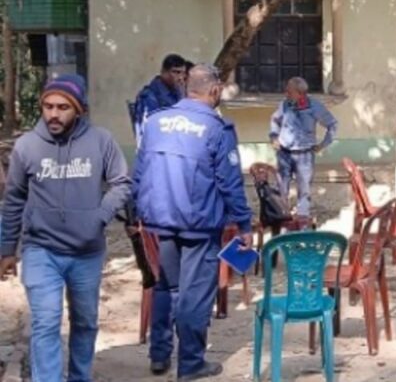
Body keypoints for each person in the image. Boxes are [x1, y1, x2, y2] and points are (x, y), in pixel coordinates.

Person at [0, 75, 131, 382]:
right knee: (46, 322)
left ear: (79, 110)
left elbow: (122, 183)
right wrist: (6, 249)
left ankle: (79, 377)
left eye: (62, 107)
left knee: (85, 322)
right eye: (48, 106)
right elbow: (14, 199)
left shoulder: (101, 141)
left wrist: (99, 217)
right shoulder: (27, 146)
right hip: (41, 250)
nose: (53, 114)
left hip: (86, 252)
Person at [133, 64, 254, 380]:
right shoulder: (216, 128)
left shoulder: (155, 122)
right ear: (214, 90)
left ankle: (159, 355)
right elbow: (229, 182)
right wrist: (244, 225)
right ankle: (190, 363)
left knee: (166, 287)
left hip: (159, 222)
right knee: (195, 294)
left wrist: (136, 214)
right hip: (199, 224)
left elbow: (140, 171)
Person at [269, 77, 338, 220]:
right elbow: (275, 120)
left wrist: (323, 144)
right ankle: (282, 218)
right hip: (284, 153)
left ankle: (302, 221)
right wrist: (274, 137)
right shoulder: (285, 104)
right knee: (281, 188)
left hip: (304, 155)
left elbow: (332, 124)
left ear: (300, 93)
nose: (286, 94)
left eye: (290, 92)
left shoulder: (314, 106)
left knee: (304, 190)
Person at [131, 53, 188, 142]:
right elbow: (148, 129)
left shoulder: (179, 92)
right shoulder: (149, 96)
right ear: (164, 72)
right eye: (176, 72)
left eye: (183, 73)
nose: (180, 77)